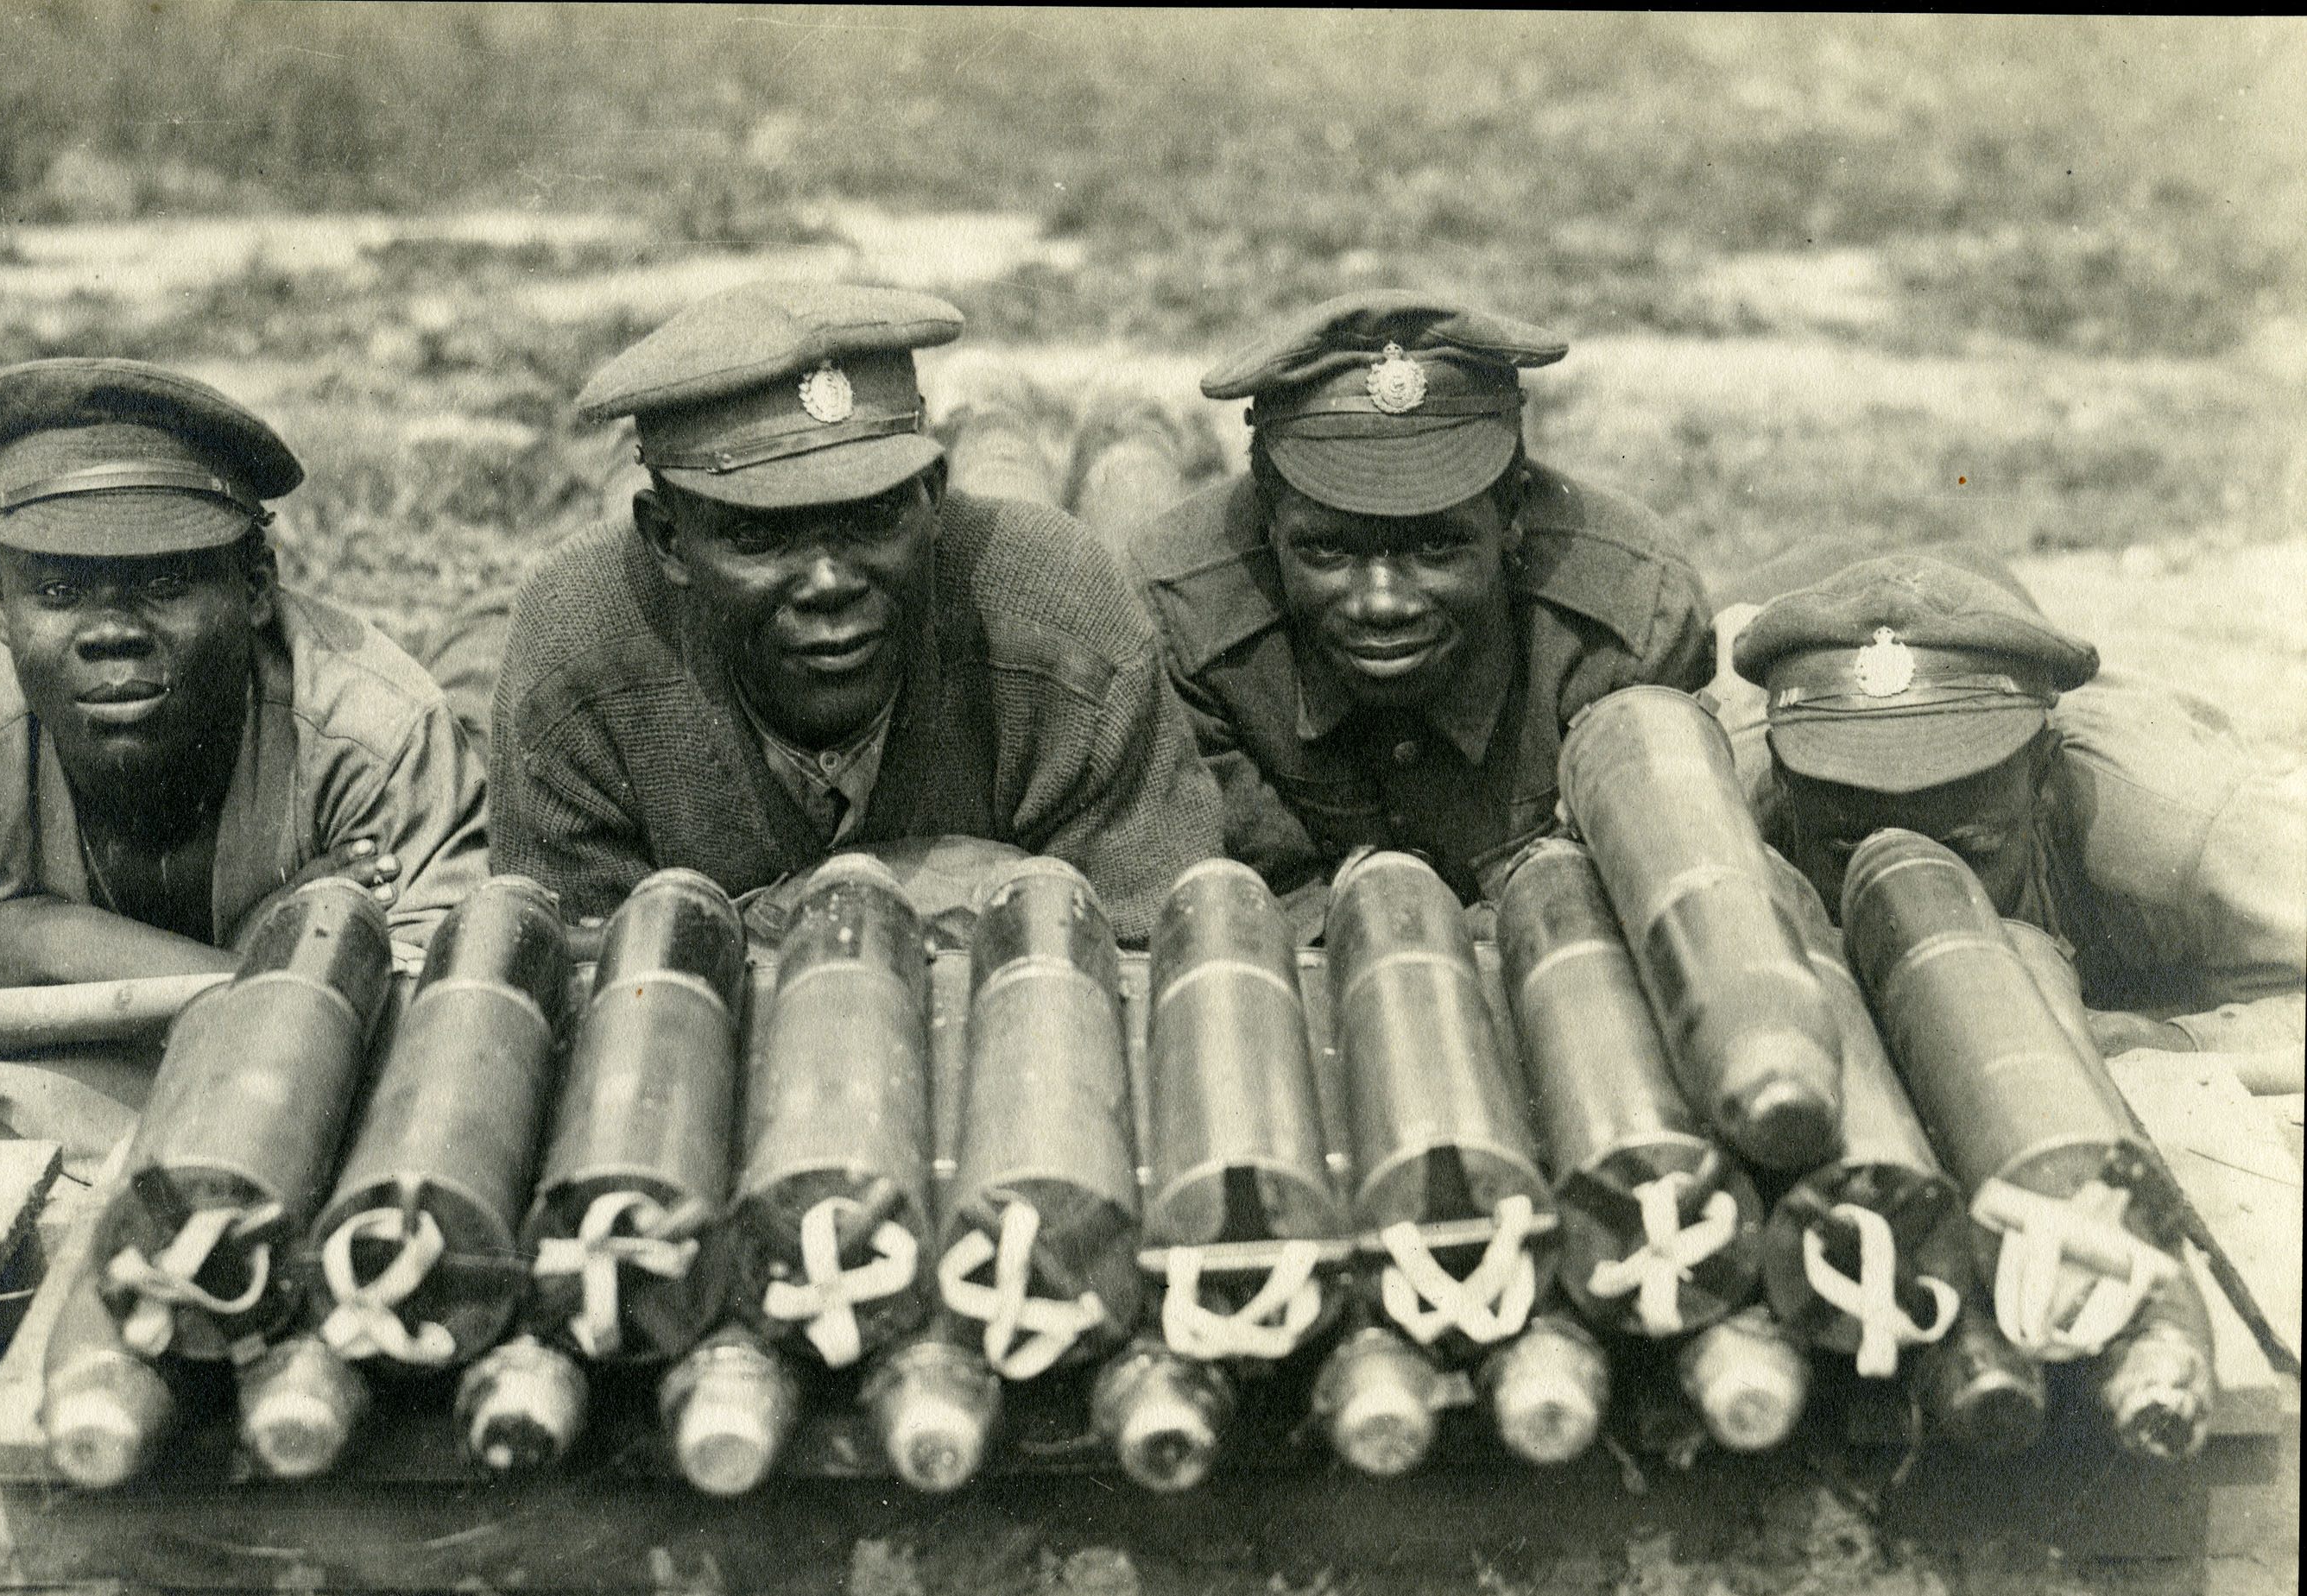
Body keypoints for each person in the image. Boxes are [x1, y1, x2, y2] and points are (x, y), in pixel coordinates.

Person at [487, 281, 1221, 945]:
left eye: (873, 518)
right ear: (668, 540)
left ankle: (1087, 422)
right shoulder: (572, 659)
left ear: (932, 496)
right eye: (760, 534)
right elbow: (573, 988)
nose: (830, 581)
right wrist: (847, 902)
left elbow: (1158, 957)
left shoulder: (1064, 619)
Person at [0, 358, 488, 989]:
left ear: (254, 585)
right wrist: (266, 964)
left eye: (164, 582)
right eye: (59, 593)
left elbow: (438, 1036)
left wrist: (33, 950)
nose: (113, 633)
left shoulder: (372, 733)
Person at [1128, 292, 1714, 917]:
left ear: (1511, 514)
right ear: (1268, 522)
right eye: (1328, 550)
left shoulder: (1626, 623)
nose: (1382, 602)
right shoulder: (1182, 625)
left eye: (1436, 544)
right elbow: (1249, 893)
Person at [1727, 547, 2304, 1066]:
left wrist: (2164, 1044)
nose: (1908, 902)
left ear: (2042, 781)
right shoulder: (1729, 811)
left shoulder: (2173, 821)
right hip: (1794, 620)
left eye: (1966, 851)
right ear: (1783, 782)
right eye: (1852, 850)